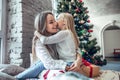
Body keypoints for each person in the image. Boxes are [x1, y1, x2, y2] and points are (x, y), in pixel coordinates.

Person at [16, 11, 80, 80]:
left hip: (58, 66)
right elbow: (48, 63)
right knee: (42, 64)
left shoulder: (58, 35)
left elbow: (75, 48)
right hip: (42, 69)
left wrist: (78, 60)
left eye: (55, 20)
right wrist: (65, 65)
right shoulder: (39, 42)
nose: (56, 23)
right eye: (51, 22)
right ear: (43, 25)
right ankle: (18, 77)